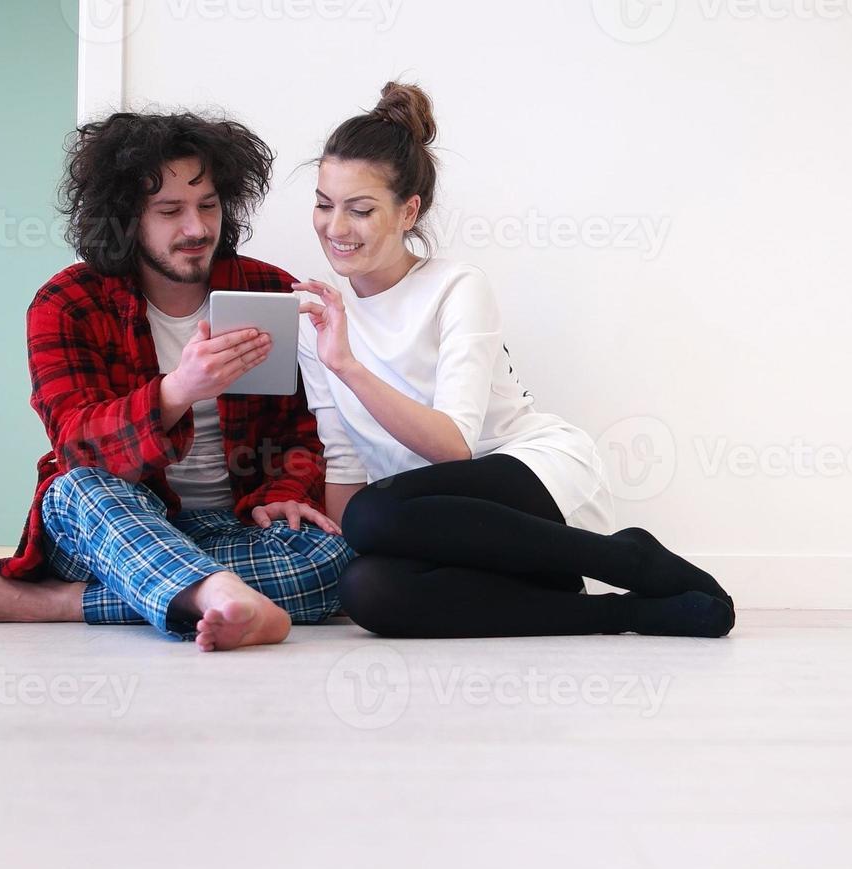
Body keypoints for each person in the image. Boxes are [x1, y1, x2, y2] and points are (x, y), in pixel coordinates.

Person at [294, 82, 733, 639]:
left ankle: (625, 560)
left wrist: (349, 366)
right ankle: (628, 613)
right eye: (323, 204)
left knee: (372, 516)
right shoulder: (322, 320)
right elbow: (345, 462)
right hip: (432, 521)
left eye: (359, 210)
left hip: (528, 479)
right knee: (368, 590)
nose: (335, 228)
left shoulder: (456, 287)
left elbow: (453, 445)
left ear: (409, 212)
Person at [0, 111, 352, 651]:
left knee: (336, 561)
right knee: (74, 489)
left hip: (235, 530)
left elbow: (310, 430)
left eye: (208, 205)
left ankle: (63, 602)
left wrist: (285, 492)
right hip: (113, 522)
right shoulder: (67, 303)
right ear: (125, 217)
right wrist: (177, 390)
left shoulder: (270, 291)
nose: (197, 228)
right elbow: (76, 441)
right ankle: (217, 592)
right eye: (169, 211)